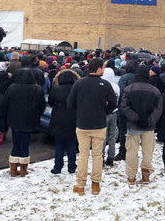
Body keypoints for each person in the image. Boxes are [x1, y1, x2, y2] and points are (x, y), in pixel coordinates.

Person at [67, 58, 117, 195]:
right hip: (99, 125)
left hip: (83, 124)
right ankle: (95, 184)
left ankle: (80, 184)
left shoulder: (79, 83)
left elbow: (70, 103)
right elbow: (113, 104)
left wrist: (81, 111)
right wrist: (103, 112)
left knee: (83, 155)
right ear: (99, 69)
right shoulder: (105, 84)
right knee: (97, 155)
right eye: (103, 67)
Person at [121, 64, 163, 184]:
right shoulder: (155, 91)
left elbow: (124, 106)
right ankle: (146, 176)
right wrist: (149, 120)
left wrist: (135, 118)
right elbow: (158, 109)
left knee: (131, 152)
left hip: (133, 125)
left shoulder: (129, 89)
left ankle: (131, 176)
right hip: (149, 127)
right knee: (148, 151)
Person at [6, 68, 46, 177]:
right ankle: (23, 170)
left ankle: (13, 170)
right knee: (25, 144)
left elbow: (7, 103)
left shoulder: (12, 88)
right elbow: (41, 106)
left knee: (15, 144)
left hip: (14, 120)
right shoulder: (37, 89)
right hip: (29, 120)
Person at [48, 69, 80, 174]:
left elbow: (50, 102)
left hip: (58, 117)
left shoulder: (55, 89)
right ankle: (72, 166)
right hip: (73, 118)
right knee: (71, 143)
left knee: (59, 144)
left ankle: (57, 167)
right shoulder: (76, 89)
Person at [115, 59, 139, 161]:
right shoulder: (139, 78)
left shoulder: (124, 78)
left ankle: (123, 152)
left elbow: (121, 94)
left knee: (123, 131)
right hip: (136, 109)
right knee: (133, 132)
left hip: (123, 110)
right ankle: (132, 151)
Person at [101, 67, 120, 167]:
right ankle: (111, 158)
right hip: (114, 113)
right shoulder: (116, 87)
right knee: (112, 137)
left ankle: (101, 158)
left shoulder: (102, 86)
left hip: (104, 113)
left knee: (102, 137)